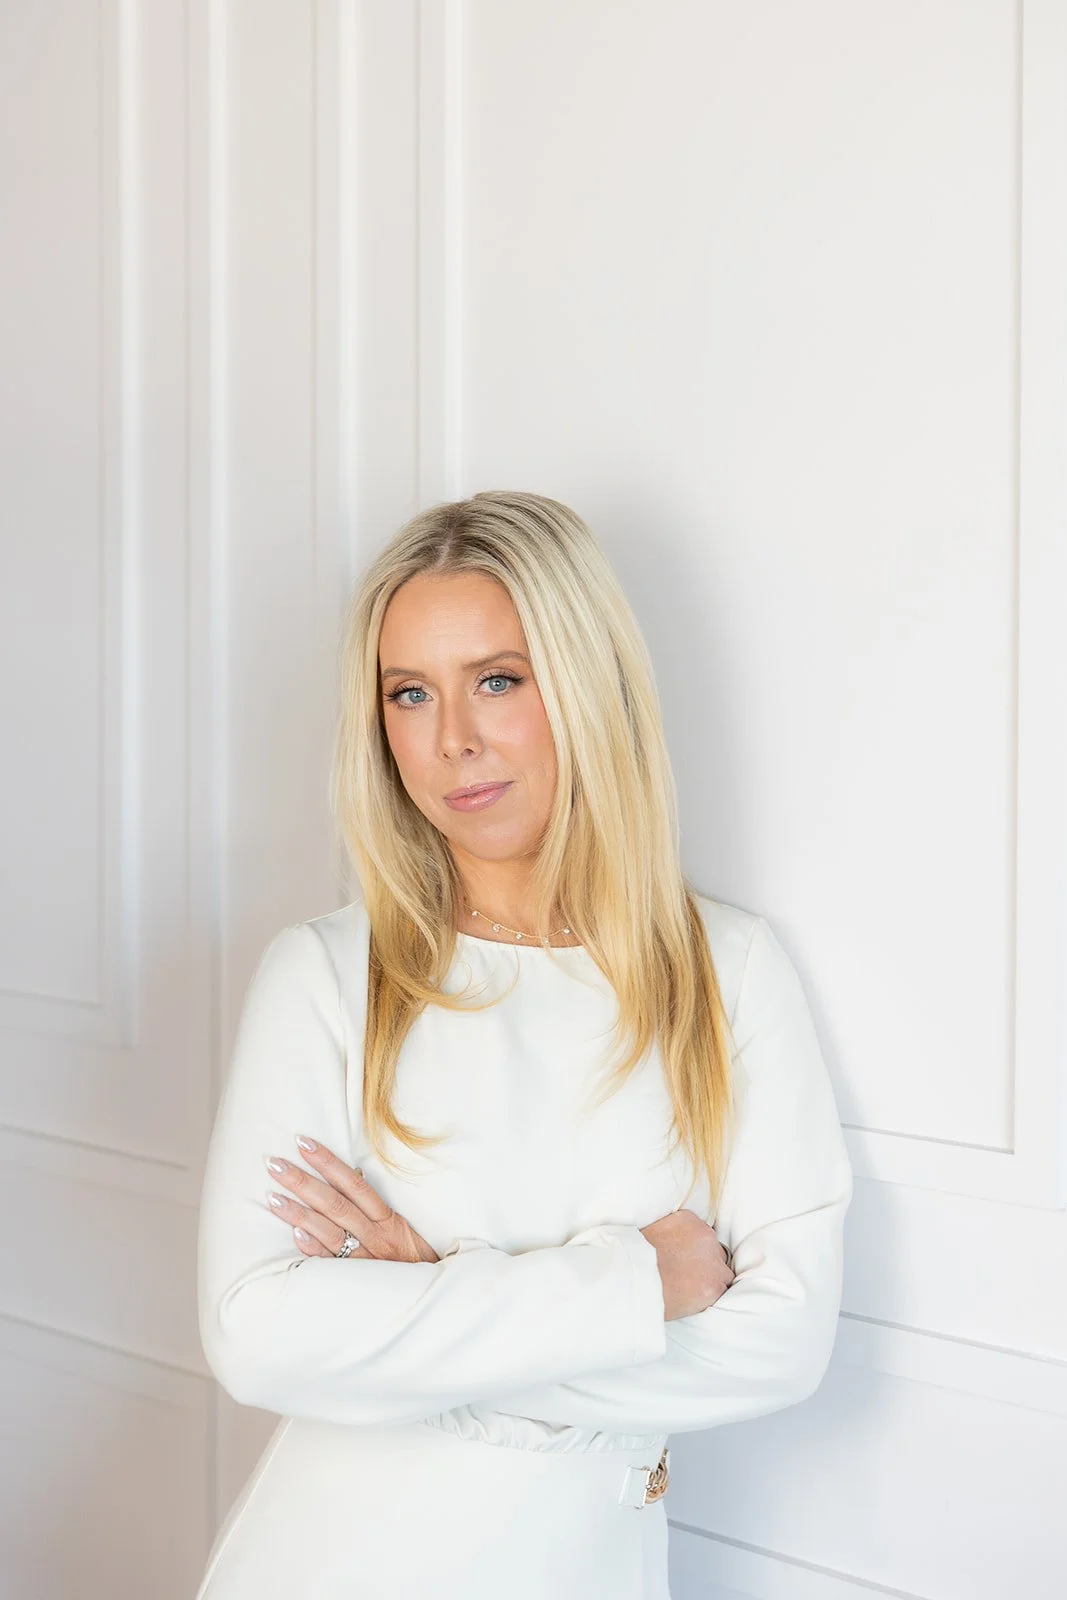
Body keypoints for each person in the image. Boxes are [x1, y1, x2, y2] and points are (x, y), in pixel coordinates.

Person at [193, 490, 853, 1599]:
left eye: (497, 679)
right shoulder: (323, 975)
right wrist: (633, 1285)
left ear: (585, 686)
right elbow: (257, 1337)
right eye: (409, 693)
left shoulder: (727, 972)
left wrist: (429, 1299)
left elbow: (784, 1345)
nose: (452, 739)